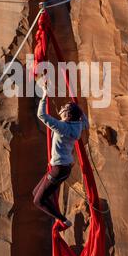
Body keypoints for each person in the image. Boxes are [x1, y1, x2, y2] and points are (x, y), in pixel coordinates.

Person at [33, 84, 89, 227]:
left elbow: (41, 115)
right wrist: (77, 108)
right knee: (36, 193)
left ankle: (64, 220)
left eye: (64, 110)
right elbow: (85, 121)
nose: (61, 111)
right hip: (63, 168)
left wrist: (45, 95)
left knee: (38, 201)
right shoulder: (78, 126)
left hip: (58, 169)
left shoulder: (62, 126)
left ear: (68, 115)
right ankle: (57, 213)